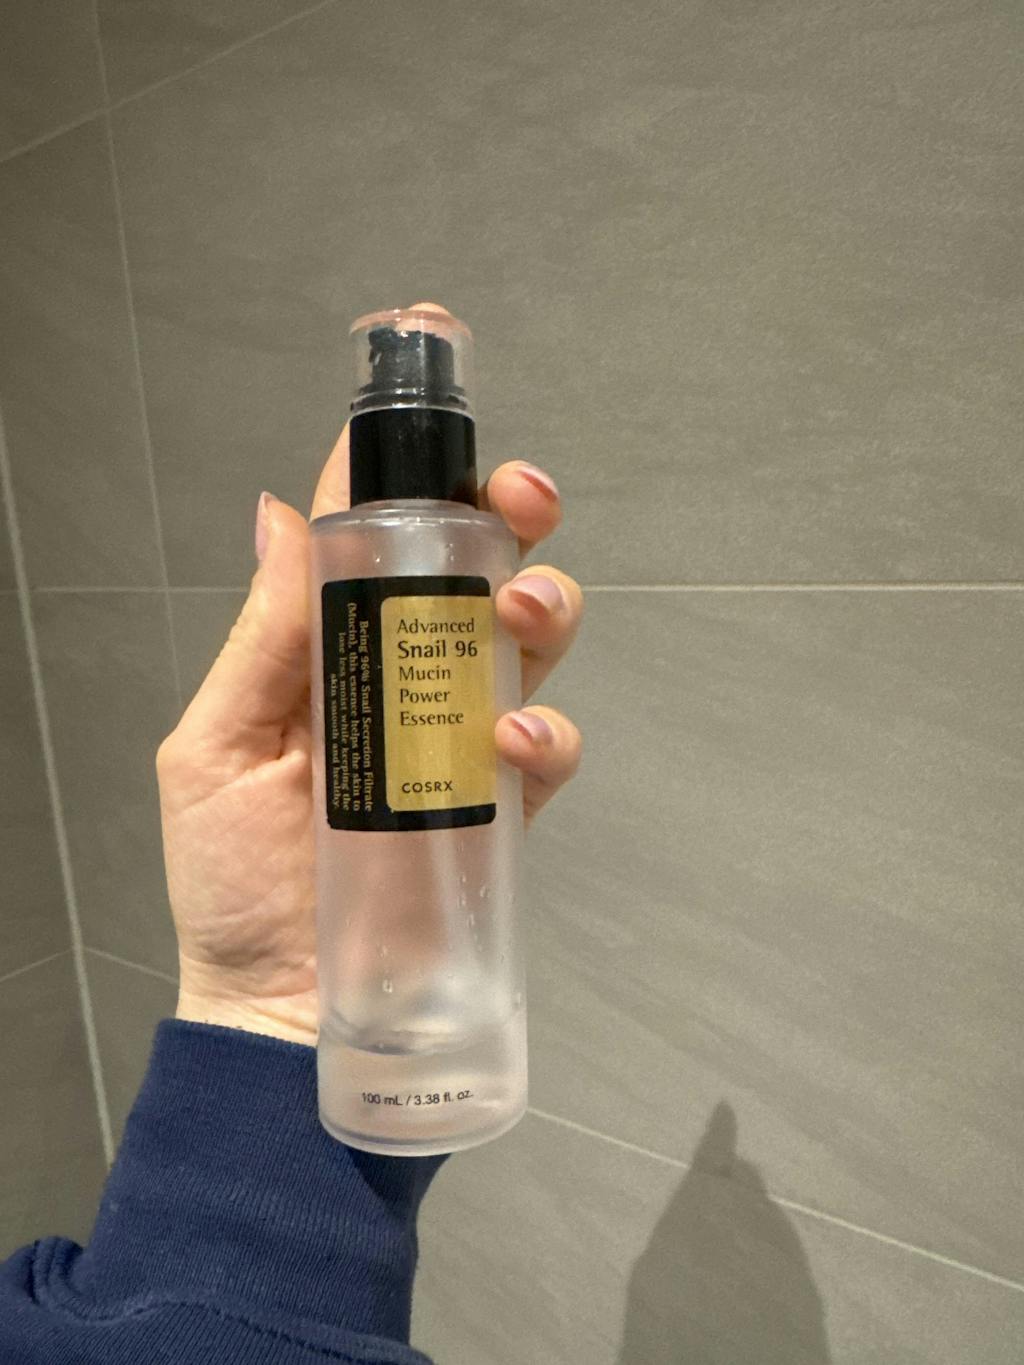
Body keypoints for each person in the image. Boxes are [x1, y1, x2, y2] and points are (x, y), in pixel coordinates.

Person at [0, 304, 584, 1364]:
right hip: (328, 1049)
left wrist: (256, 1015)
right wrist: (261, 999)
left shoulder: (457, 545)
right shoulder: (350, 550)